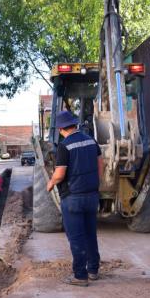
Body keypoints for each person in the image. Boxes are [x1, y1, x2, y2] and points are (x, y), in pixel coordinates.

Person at [47, 110, 103, 286]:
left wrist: (49, 184)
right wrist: (95, 184)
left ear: (61, 128)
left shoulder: (65, 146)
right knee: (90, 234)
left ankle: (80, 276)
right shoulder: (91, 140)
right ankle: (93, 270)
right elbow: (101, 164)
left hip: (73, 198)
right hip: (92, 195)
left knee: (76, 238)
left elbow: (60, 174)